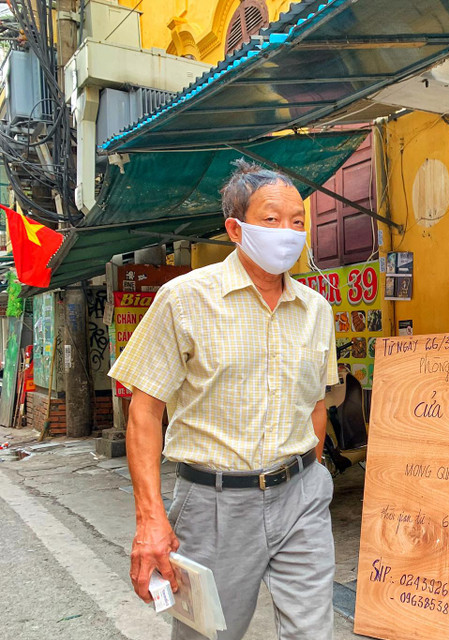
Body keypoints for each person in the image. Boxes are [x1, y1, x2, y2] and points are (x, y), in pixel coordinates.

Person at [109, 161, 339, 640]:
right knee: (211, 634)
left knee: (314, 632)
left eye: (298, 221)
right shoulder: (183, 298)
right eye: (272, 219)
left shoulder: (316, 309)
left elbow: (316, 402)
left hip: (302, 496)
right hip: (215, 505)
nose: (289, 232)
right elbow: (145, 412)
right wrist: (150, 520)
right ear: (236, 228)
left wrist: (310, 476)